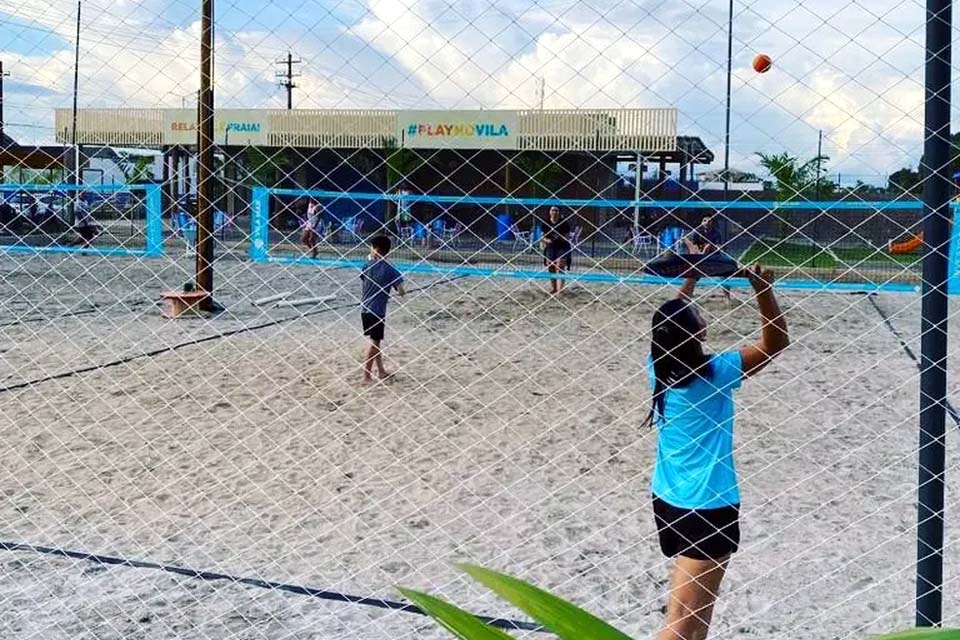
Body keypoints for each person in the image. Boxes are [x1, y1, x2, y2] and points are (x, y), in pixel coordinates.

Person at [647, 264, 788, 640]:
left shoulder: (657, 368)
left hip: (668, 498)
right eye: (697, 317)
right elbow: (776, 343)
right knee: (682, 624)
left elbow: (670, 321)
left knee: (695, 622)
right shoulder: (716, 371)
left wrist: (690, 277)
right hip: (707, 508)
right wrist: (762, 289)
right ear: (696, 333)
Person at [360, 234, 406, 384]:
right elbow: (401, 291)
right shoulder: (390, 269)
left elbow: (364, 278)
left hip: (365, 309)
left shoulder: (367, 265)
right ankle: (366, 375)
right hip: (377, 310)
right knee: (374, 343)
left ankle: (381, 371)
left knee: (376, 341)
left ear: (375, 249)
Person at [541, 205, 572, 295]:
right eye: (552, 210)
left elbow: (567, 237)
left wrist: (559, 237)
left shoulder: (564, 223)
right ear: (549, 212)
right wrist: (547, 240)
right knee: (551, 266)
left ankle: (560, 290)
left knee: (560, 265)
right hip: (550, 247)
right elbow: (542, 237)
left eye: (556, 210)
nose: (554, 212)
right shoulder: (546, 223)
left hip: (562, 246)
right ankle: (554, 288)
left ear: (559, 212)